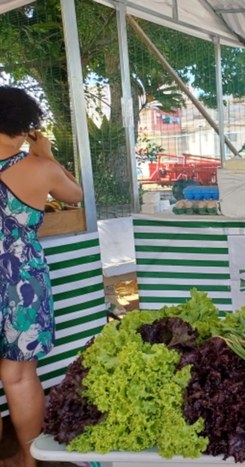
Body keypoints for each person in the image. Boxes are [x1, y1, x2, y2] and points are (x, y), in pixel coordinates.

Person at [0, 86, 83, 467]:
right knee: (18, 376)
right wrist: (47, 156)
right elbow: (75, 196)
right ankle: (29, 460)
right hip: (21, 282)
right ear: (26, 128)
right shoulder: (39, 168)